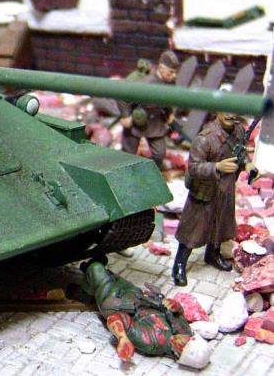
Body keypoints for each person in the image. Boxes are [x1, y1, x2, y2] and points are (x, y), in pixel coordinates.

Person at [172, 112, 259, 286]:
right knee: (193, 229)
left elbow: (239, 152)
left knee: (221, 223)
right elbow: (194, 168)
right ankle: (179, 264)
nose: (230, 115)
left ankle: (213, 253)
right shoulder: (205, 138)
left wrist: (247, 165)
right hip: (204, 189)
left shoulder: (239, 131)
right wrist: (217, 166)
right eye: (227, 111)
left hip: (226, 187)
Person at [82, 260, 194, 363]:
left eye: (184, 346)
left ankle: (86, 283)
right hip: (138, 295)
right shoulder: (184, 331)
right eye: (189, 340)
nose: (185, 340)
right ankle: (88, 281)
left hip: (118, 302)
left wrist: (122, 337)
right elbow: (178, 312)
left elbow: (116, 319)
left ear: (179, 354)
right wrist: (174, 305)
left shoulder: (152, 342)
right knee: (110, 275)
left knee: (95, 268)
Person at [119, 50, 180, 169]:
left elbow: (168, 100)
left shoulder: (170, 83)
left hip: (156, 124)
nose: (174, 76)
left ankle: (150, 172)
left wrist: (170, 113)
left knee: (159, 154)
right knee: (127, 155)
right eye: (171, 72)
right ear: (161, 68)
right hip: (136, 121)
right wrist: (125, 116)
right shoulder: (145, 83)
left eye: (175, 72)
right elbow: (122, 97)